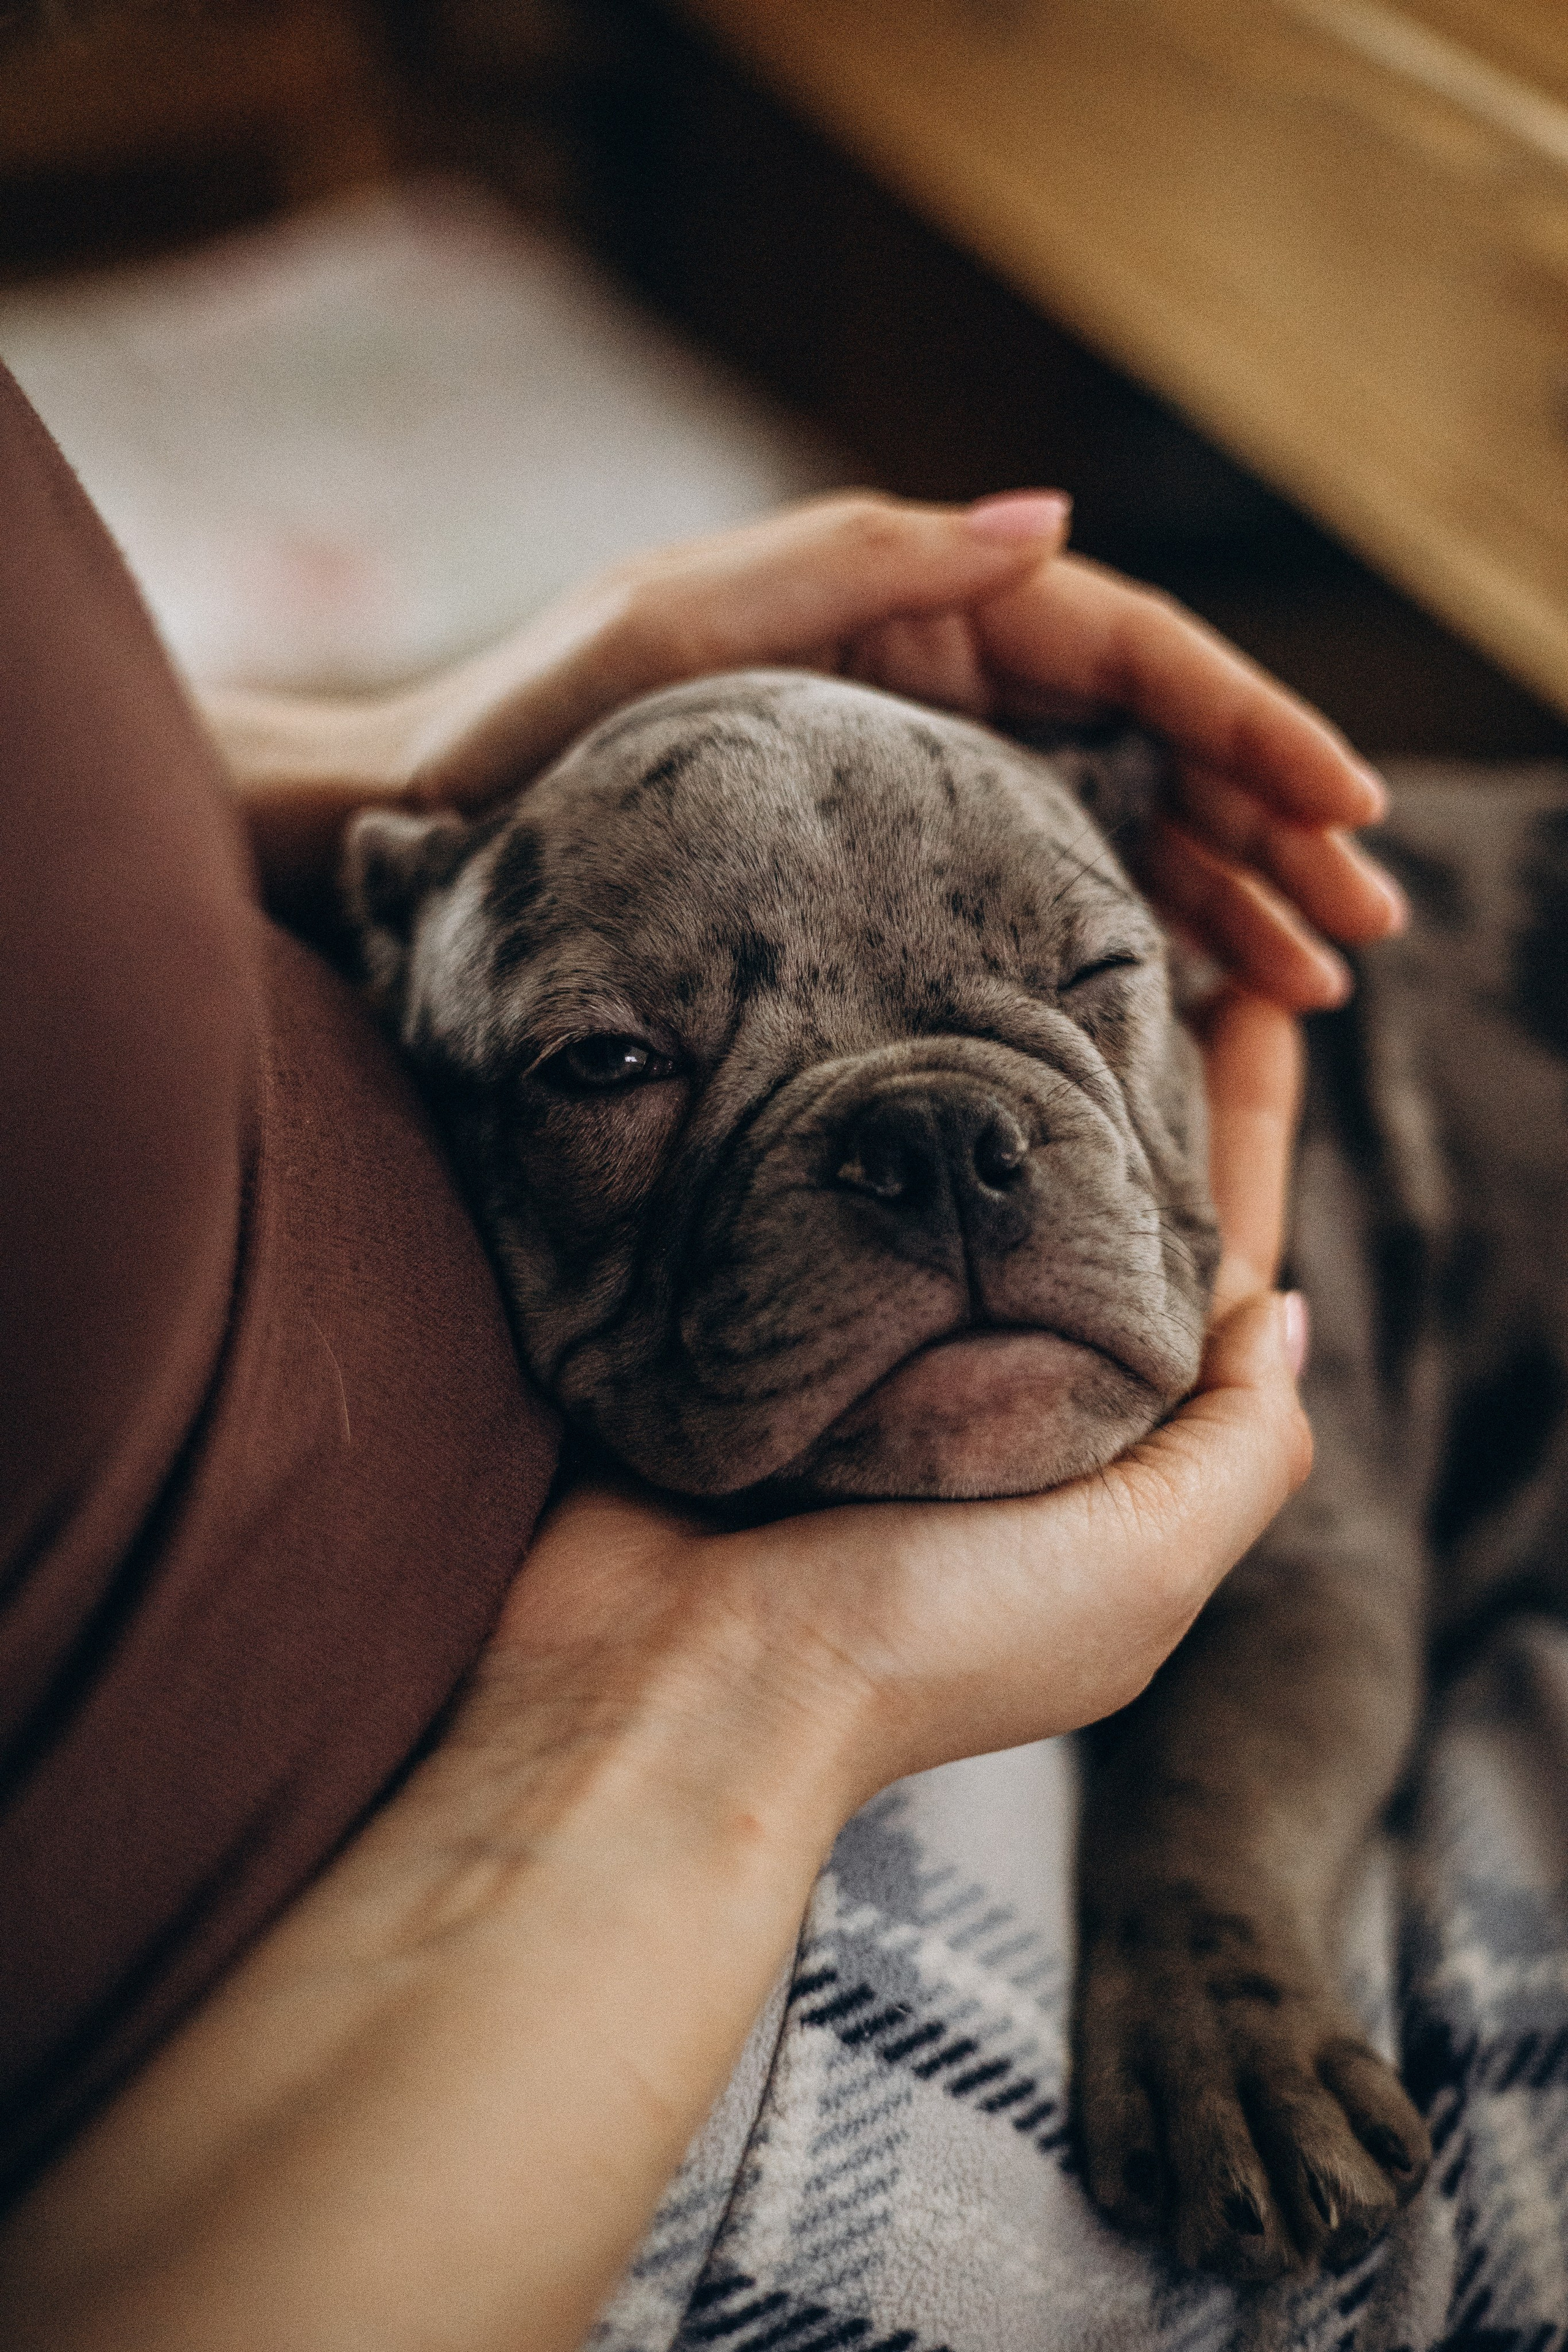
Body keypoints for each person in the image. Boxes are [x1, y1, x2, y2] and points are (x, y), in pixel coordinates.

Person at [0, 366, 1403, 2349]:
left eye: (1085, 979)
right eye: (617, 1062)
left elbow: (1326, 1565)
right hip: (532, 1972)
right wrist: (735, 1699)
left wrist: (368, 751)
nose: (948, 1158)